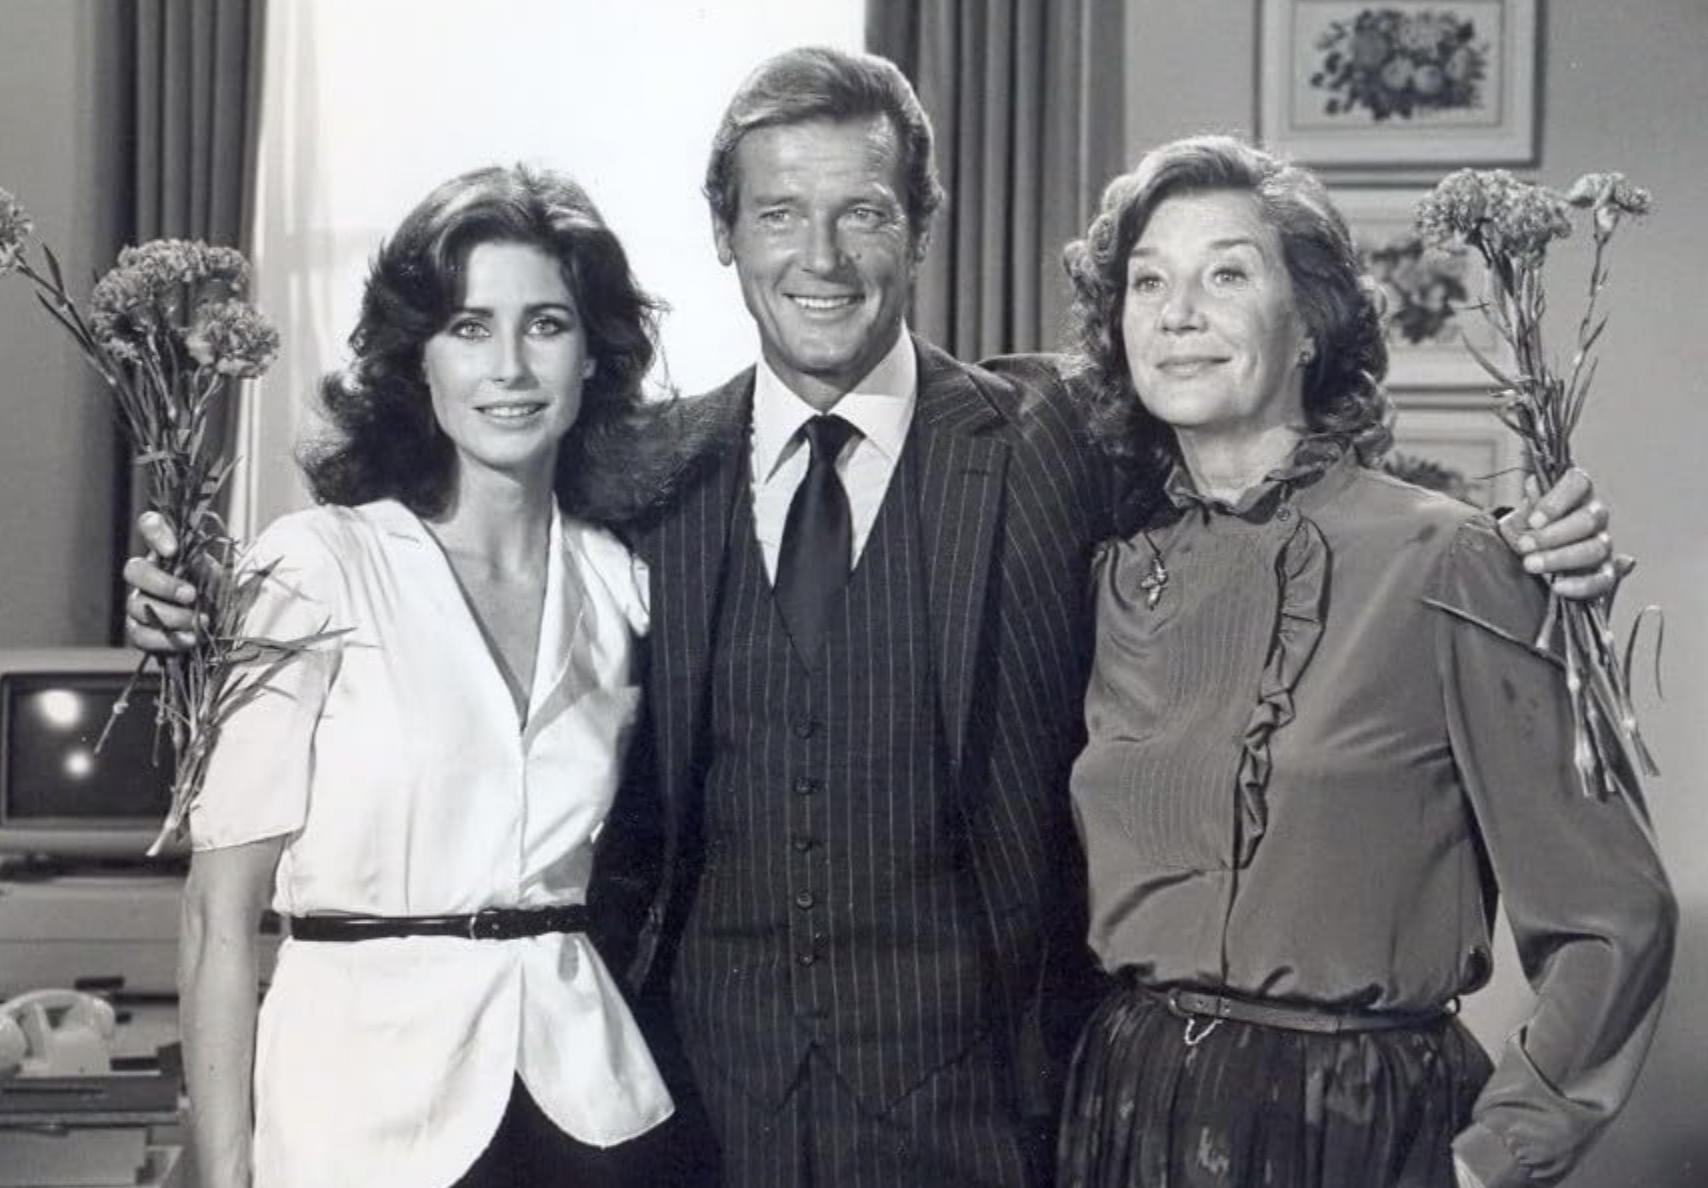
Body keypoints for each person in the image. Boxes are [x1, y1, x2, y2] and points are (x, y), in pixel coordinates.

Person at [129, 50, 1621, 1188]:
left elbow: (1271, 478)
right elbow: (448, 532)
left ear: (920, 227)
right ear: (726, 235)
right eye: (779, 214)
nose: (821, 256)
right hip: (688, 1120)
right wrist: (197, 613)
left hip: (994, 1124)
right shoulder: (643, 474)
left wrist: (1521, 544)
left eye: (862, 212)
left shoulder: (1053, 438)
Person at [1054, 134, 1676, 1188]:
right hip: (1125, 1110)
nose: (1177, 314)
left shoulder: (1452, 560)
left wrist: (1490, 1159)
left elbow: (1614, 916)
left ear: (1309, 324)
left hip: (1354, 1126)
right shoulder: (1113, 573)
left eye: (1226, 275)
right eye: (1148, 282)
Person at [172, 165, 682, 1188]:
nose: (510, 368)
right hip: (357, 1118)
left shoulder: (620, 583)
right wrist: (225, 1172)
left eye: (546, 325)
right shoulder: (314, 567)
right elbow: (216, 916)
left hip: (587, 1111)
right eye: (468, 328)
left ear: (592, 356)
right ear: (418, 359)